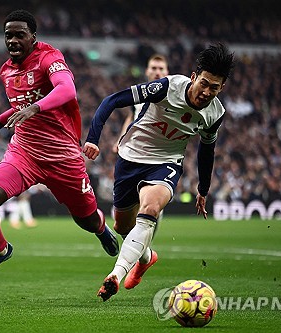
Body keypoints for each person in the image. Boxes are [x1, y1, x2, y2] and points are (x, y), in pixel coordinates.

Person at [0, 9, 119, 284]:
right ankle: (0, 251)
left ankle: (101, 230)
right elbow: (20, 106)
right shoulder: (6, 71)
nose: (12, 41)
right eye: (8, 36)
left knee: (86, 220)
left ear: (33, 37)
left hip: (63, 157)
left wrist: (35, 109)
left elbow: (66, 90)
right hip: (24, 153)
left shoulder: (49, 58)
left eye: (19, 35)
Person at [83, 43, 235, 301]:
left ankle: (115, 276)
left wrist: (203, 189)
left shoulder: (215, 113)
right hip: (130, 157)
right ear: (194, 76)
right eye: (205, 83)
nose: (207, 92)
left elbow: (206, 150)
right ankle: (146, 256)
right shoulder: (166, 87)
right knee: (122, 226)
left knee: (150, 209)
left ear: (222, 88)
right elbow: (112, 101)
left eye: (215, 87)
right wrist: (92, 139)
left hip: (166, 163)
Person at [115, 54, 169, 152]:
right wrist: (121, 139)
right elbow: (131, 116)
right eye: (154, 68)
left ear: (167, 72)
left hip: (161, 150)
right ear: (147, 71)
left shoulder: (173, 96)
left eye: (161, 69)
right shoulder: (138, 93)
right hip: (136, 148)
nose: (157, 72)